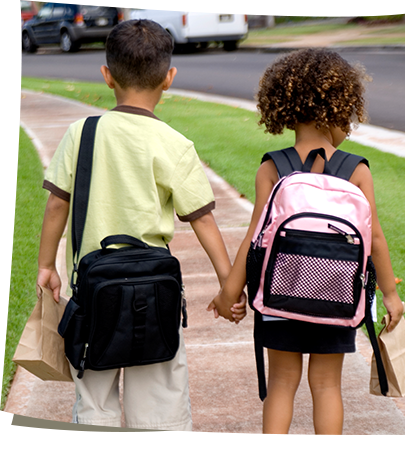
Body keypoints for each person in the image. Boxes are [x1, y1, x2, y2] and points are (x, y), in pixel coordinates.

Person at [37, 19, 246, 440]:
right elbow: (202, 218)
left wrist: (47, 265)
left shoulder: (83, 133)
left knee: (93, 404)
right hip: (154, 295)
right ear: (169, 78)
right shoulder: (174, 143)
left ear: (106, 75)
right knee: (161, 409)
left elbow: (58, 202)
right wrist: (228, 287)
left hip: (93, 293)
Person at [210, 48, 405, 440]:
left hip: (280, 297)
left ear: (285, 106)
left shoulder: (272, 166)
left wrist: (228, 293)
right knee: (327, 386)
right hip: (335, 297)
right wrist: (389, 295)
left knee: (281, 384)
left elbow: (255, 235)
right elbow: (375, 239)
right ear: (337, 106)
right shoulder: (356, 169)